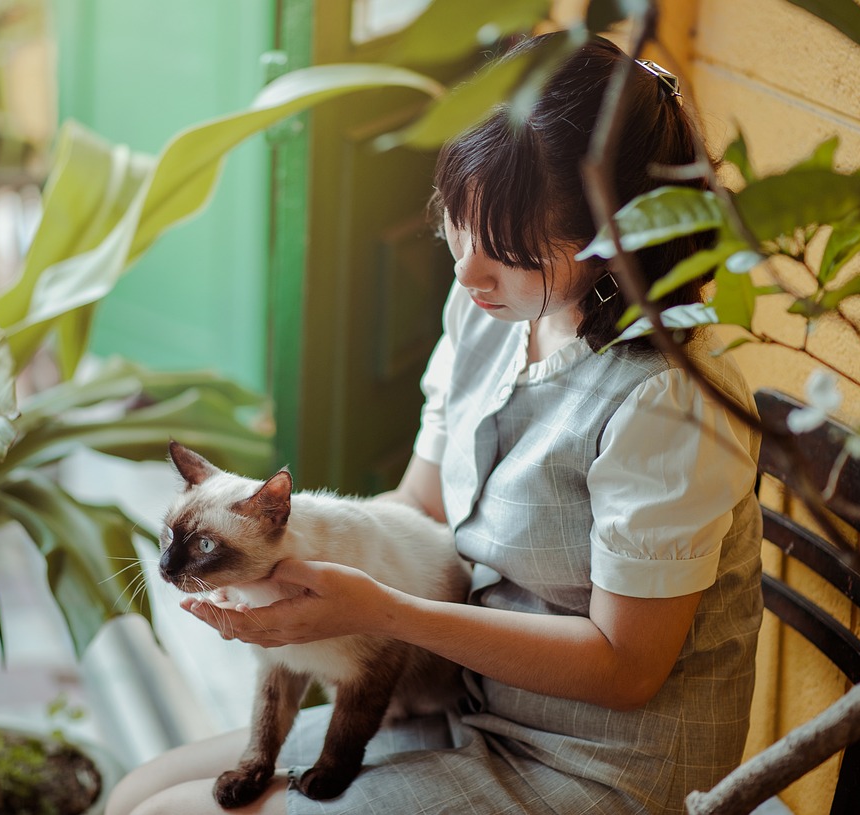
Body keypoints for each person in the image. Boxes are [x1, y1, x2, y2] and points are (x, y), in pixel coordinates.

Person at [107, 34, 762, 815]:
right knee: (139, 791)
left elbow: (625, 668)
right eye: (458, 220)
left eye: (513, 251)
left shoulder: (667, 396)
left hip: (603, 766)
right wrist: (295, 556)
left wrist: (383, 611)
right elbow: (420, 510)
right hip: (466, 700)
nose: (467, 270)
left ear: (614, 247)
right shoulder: (487, 310)